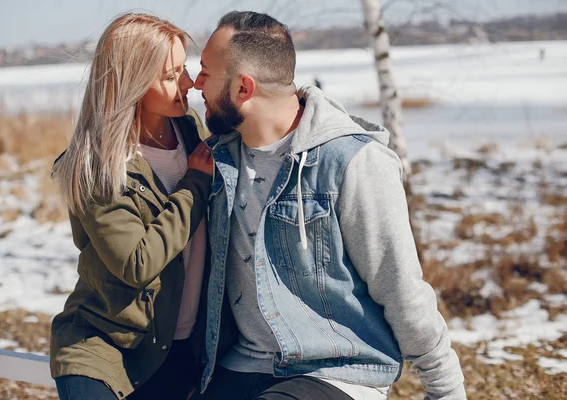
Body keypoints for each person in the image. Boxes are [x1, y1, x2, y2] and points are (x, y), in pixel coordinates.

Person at [192, 11, 466, 400]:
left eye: (206, 72)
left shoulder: (353, 161)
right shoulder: (215, 160)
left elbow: (400, 286)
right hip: (243, 365)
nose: (195, 83)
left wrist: (445, 390)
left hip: (336, 368)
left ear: (243, 89)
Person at [49, 13, 213, 400]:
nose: (187, 83)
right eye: (171, 76)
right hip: (108, 349)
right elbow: (136, 263)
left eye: (184, 68)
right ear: (132, 82)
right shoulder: (97, 166)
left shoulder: (190, 129)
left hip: (184, 347)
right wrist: (194, 186)